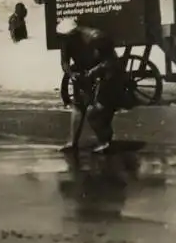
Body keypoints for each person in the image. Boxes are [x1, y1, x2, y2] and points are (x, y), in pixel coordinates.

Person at [55, 17, 132, 154]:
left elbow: (110, 62)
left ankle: (105, 141)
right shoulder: (65, 40)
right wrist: (72, 74)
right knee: (78, 106)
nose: (67, 40)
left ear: (76, 32)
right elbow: (64, 62)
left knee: (96, 111)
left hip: (107, 73)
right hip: (84, 72)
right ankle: (72, 143)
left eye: (70, 37)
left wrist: (93, 72)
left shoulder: (97, 37)